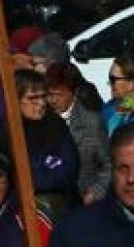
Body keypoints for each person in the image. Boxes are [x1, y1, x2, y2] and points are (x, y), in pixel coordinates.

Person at [16, 68, 81, 214]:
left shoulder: (56, 125)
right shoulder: (3, 132)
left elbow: (67, 169)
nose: (41, 103)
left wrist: (31, 179)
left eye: (43, 96)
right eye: (33, 98)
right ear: (16, 100)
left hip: (61, 206)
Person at [46, 61, 108, 203]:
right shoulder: (41, 120)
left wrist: (94, 193)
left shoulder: (92, 122)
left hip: (83, 200)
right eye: (49, 94)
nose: (53, 100)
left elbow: (107, 165)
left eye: (59, 95)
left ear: (73, 93)